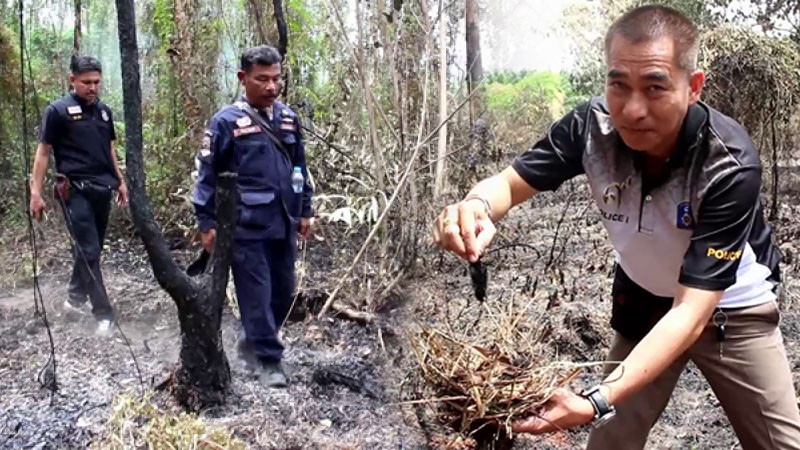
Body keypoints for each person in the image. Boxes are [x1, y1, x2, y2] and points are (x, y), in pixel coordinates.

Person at [433, 5, 800, 449]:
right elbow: (508, 186)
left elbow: (689, 313)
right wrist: (474, 206)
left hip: (730, 310)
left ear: (694, 87)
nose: (632, 109)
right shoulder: (590, 129)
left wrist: (594, 401)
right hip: (646, 301)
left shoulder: (726, 163)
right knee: (611, 444)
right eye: (618, 85)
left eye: (655, 87)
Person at [193, 45, 314, 388]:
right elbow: (206, 173)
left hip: (284, 220)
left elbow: (300, 167)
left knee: (283, 291)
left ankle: (252, 340)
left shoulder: (288, 118)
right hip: (245, 225)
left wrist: (306, 209)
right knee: (256, 292)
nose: (271, 86)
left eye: (276, 79)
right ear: (243, 78)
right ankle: (269, 360)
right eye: (262, 79)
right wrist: (206, 221)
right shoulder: (226, 121)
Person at [29, 55, 128, 336]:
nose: (92, 87)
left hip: (102, 189)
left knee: (89, 250)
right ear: (72, 80)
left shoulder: (104, 112)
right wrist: (35, 192)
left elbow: (108, 149)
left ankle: (74, 298)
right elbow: (43, 152)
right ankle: (104, 314)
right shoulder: (58, 111)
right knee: (89, 250)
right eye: (86, 82)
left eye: (97, 82)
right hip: (74, 190)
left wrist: (120, 181)